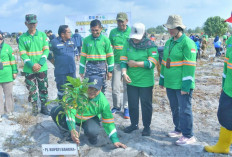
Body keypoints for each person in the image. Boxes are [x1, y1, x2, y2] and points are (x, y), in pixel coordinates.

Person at [50, 75, 127, 148]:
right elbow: (70, 112)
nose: (92, 91)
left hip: (88, 119)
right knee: (55, 111)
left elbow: (109, 121)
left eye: (95, 89)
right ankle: (68, 133)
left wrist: (115, 140)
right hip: (74, 116)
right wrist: (72, 129)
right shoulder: (77, 92)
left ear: (100, 88)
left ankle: (91, 138)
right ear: (86, 86)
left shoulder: (103, 102)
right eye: (90, 88)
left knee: (92, 131)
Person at [159, 15, 197, 145]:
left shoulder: (187, 43)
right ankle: (179, 129)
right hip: (170, 83)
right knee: (175, 108)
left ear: (179, 27)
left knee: (184, 109)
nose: (170, 30)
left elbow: (189, 66)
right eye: (168, 28)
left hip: (182, 84)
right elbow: (165, 62)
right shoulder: (169, 42)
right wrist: (162, 79)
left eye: (172, 28)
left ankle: (188, 135)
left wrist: (185, 86)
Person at [121, 23, 159, 136]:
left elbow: (152, 63)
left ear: (143, 35)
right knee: (132, 104)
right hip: (131, 80)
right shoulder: (127, 43)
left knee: (146, 104)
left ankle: (147, 127)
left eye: (137, 38)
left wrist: (135, 63)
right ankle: (134, 124)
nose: (135, 40)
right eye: (133, 37)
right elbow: (123, 59)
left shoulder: (150, 45)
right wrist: (124, 73)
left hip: (145, 82)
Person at [204, 35, 232, 154]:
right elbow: (227, 65)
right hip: (228, 88)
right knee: (224, 116)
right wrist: (223, 84)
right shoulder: (230, 40)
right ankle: (223, 146)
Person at [18, 14, 50, 116]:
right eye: (30, 23)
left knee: (43, 88)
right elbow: (23, 53)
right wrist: (32, 65)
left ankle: (44, 107)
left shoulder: (42, 35)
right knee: (31, 89)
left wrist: (40, 63)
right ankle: (35, 108)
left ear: (36, 23)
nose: (32, 25)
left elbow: (46, 50)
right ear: (26, 24)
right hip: (29, 69)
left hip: (42, 68)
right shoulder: (22, 38)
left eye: (34, 23)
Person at [79, 19, 114, 94]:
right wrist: (81, 70)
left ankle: (101, 104)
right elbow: (83, 57)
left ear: (101, 29)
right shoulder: (86, 40)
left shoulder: (106, 40)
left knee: (102, 87)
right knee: (87, 87)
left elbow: (110, 56)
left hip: (101, 66)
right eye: (92, 30)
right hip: (90, 66)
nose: (94, 32)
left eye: (96, 30)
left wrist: (110, 71)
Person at [109, 12, 131, 118]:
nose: (120, 23)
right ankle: (116, 106)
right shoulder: (113, 32)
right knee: (115, 87)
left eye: (122, 21)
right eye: (118, 21)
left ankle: (126, 108)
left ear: (127, 21)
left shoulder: (131, 32)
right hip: (117, 63)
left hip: (128, 64)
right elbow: (109, 49)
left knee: (127, 86)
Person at [49, 25, 78, 100]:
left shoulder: (72, 41)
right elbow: (49, 55)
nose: (71, 33)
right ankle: (62, 105)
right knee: (61, 90)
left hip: (71, 71)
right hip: (60, 71)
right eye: (69, 32)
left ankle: (72, 106)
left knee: (73, 89)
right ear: (62, 34)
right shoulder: (54, 42)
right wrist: (56, 63)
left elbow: (75, 52)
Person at [0, 31, 18, 122]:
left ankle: (9, 112)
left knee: (8, 95)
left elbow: (13, 61)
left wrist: (14, 71)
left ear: (2, 38)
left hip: (7, 75)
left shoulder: (8, 48)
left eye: (0, 38)